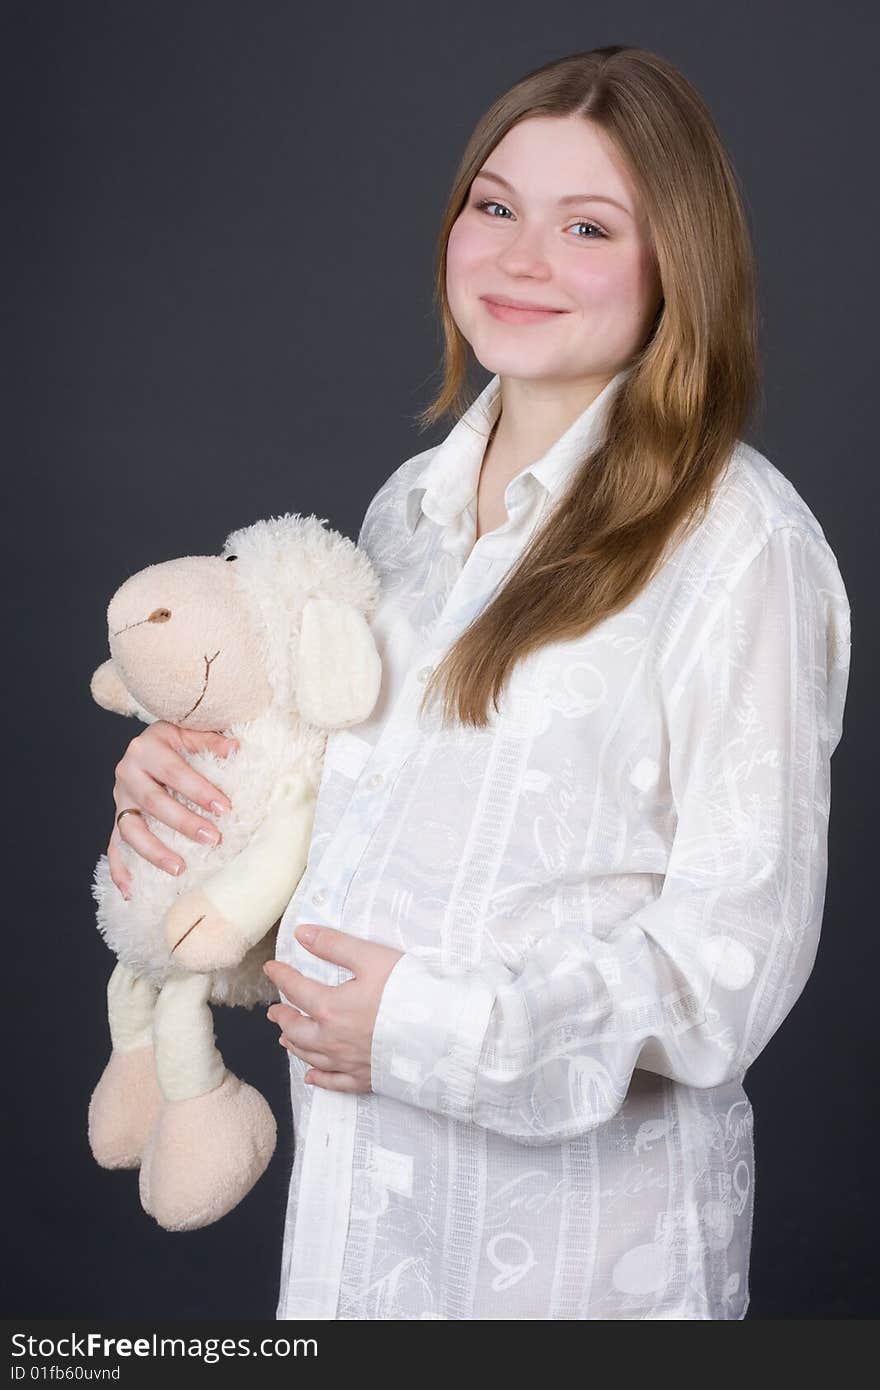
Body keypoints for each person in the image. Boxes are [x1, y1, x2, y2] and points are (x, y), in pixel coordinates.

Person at [107, 46, 852, 1319]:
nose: (518, 257)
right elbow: (352, 834)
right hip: (359, 1234)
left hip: (576, 1261)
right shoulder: (406, 517)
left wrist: (429, 1029)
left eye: (587, 226)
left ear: (677, 262)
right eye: (494, 205)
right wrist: (188, 789)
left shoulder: (741, 547)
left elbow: (732, 961)